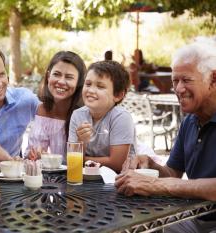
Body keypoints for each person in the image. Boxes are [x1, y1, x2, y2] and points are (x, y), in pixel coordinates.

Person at [115, 38, 216, 232]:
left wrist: (158, 184)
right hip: (196, 217)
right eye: (175, 81)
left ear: (213, 79)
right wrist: (150, 165)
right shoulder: (190, 121)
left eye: (186, 80)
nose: (178, 89)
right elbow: (172, 172)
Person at [69, 60, 135, 173]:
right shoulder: (77, 115)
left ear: (118, 95)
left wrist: (82, 160)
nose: (90, 90)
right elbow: (73, 162)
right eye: (88, 84)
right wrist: (81, 142)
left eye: (100, 86)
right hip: (87, 179)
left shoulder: (121, 117)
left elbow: (117, 164)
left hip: (117, 180)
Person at [26, 51, 86, 161]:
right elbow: (33, 154)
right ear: (48, 76)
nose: (61, 81)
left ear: (79, 82)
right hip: (51, 175)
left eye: (69, 77)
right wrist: (36, 154)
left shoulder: (84, 114)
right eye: (57, 74)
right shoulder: (42, 109)